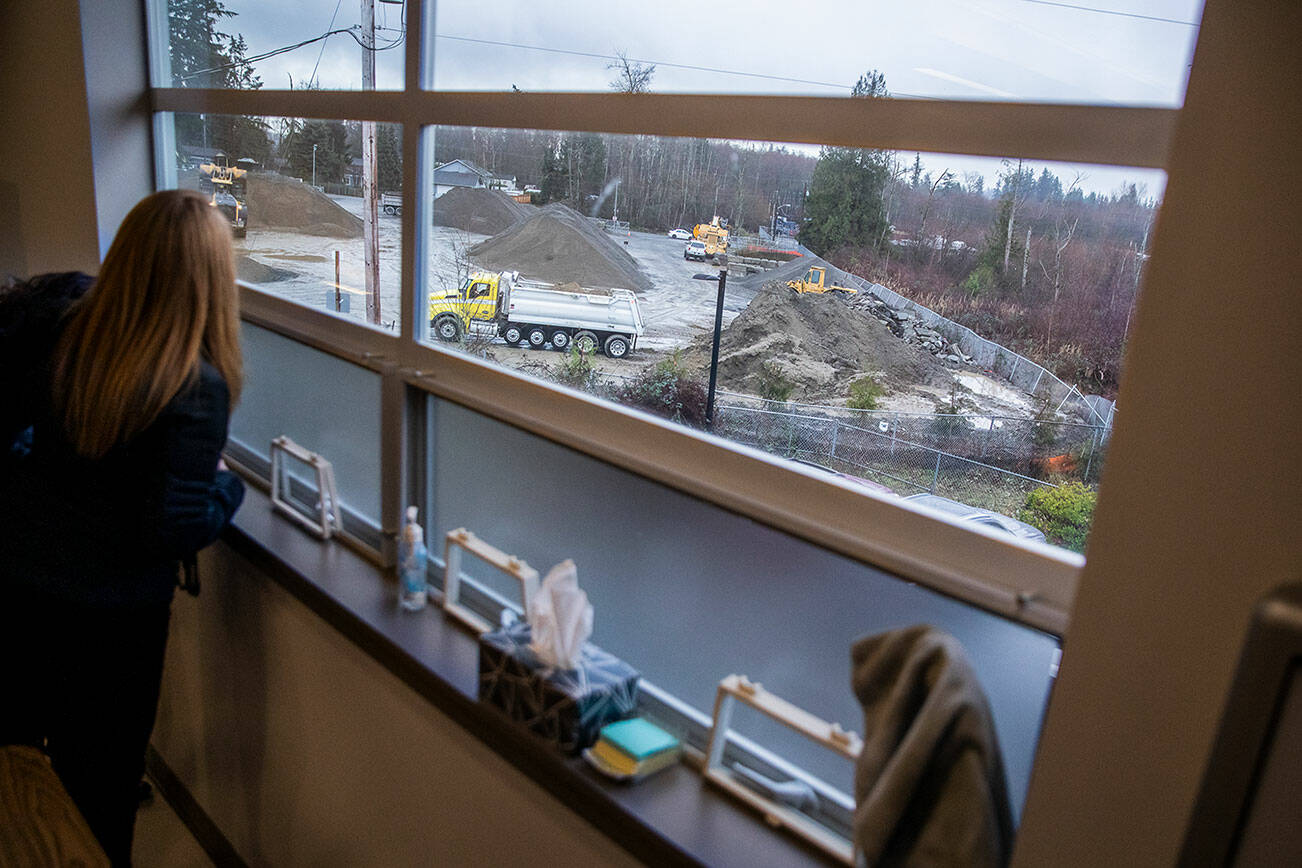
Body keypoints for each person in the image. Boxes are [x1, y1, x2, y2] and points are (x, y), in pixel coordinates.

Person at [0, 189, 245, 865]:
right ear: (209, 279)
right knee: (98, 793)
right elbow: (171, 530)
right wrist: (230, 486)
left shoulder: (69, 331)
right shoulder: (194, 385)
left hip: (18, 588)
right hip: (110, 625)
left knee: (17, 766)